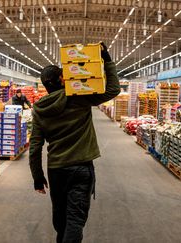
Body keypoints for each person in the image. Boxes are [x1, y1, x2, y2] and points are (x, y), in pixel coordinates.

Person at [29, 43, 120, 243]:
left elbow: (35, 147)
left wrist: (37, 177)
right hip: (81, 169)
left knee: (61, 220)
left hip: (56, 170)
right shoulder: (79, 98)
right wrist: (107, 61)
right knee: (75, 220)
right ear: (62, 79)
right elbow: (113, 89)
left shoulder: (39, 110)